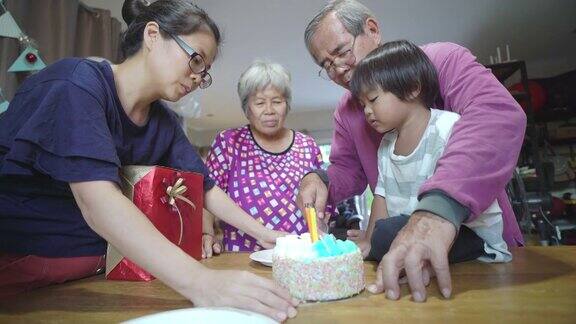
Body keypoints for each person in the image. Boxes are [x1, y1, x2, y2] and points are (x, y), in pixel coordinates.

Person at [0, 1, 298, 321]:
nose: (199, 77)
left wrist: (264, 233)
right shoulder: (76, 84)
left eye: (205, 72)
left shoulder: (163, 121)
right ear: (153, 35)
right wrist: (200, 281)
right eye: (196, 59)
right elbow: (96, 202)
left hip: (99, 272)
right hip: (25, 273)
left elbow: (205, 188)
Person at [297, 0, 526, 302]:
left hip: (480, 260)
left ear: (372, 29)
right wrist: (320, 179)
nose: (338, 68)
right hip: (403, 264)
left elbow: (495, 115)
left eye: (341, 52)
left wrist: (438, 210)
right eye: (326, 64)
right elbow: (348, 172)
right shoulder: (345, 111)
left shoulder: (442, 60)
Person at [349, 40, 512, 266]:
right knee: (381, 233)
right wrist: (369, 239)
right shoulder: (386, 144)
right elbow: (381, 197)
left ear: (413, 87)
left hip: (464, 234)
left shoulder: (448, 126)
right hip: (409, 231)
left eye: (373, 99)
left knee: (386, 234)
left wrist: (379, 237)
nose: (367, 111)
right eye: (362, 104)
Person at [205, 60, 329, 252]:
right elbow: (207, 196)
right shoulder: (228, 142)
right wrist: (208, 234)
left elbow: (321, 202)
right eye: (260, 103)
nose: (269, 111)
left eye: (277, 102)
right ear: (247, 108)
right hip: (243, 255)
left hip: (300, 255)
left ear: (286, 104)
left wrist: (320, 231)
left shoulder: (308, 145)